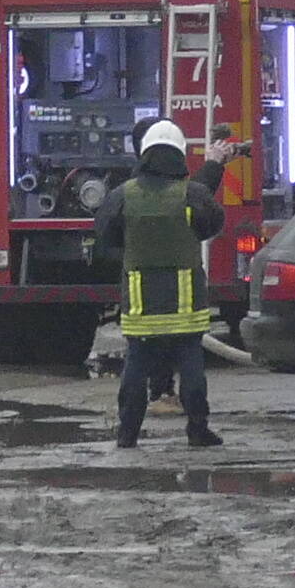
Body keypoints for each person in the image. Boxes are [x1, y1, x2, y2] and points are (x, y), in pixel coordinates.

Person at [91, 119, 226, 450]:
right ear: (180, 153)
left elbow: (104, 240)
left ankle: (127, 435)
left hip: (140, 304)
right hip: (186, 306)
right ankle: (197, 430)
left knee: (135, 369)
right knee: (192, 371)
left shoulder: (122, 195)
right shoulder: (193, 194)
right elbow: (211, 224)